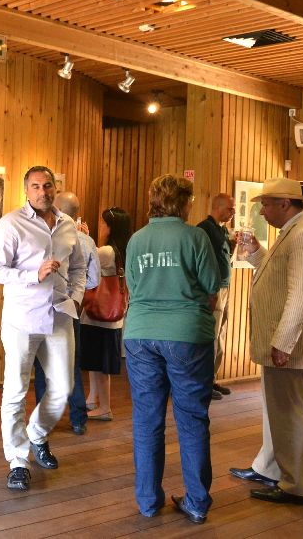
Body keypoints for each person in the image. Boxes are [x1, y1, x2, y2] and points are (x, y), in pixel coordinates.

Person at [229, 178, 303, 506]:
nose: (262, 210)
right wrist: (256, 252)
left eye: (267, 204)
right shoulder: (296, 230)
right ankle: (287, 477)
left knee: (290, 413)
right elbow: (280, 277)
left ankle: (296, 486)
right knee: (286, 411)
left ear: (285, 204)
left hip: (291, 343)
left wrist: (284, 341)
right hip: (287, 342)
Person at [124, 175, 220, 524]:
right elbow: (211, 284)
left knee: (147, 419)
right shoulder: (195, 237)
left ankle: (148, 502)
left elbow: (134, 288)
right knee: (192, 418)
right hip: (187, 334)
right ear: (184, 202)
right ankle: (196, 501)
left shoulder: (136, 239)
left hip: (140, 334)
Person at [0, 166, 85, 491]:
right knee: (15, 391)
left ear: (55, 188)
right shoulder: (10, 224)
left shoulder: (68, 225)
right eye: (35, 186)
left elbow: (80, 266)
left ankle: (36, 434)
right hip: (22, 319)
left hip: (59, 316)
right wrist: (34, 274)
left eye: (47, 186)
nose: (42, 191)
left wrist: (76, 296)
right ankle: (18, 461)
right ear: (25, 190)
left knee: (63, 389)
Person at [33, 191, 100, 435]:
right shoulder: (86, 240)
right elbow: (92, 278)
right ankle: (78, 419)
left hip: (43, 306)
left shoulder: (42, 233)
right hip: (70, 309)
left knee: (42, 366)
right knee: (71, 364)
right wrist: (77, 299)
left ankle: (43, 421)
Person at [82, 206, 132, 421]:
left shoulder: (106, 252)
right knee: (97, 361)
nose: (100, 226)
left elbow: (84, 263)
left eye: (103, 223)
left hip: (98, 314)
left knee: (100, 365)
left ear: (110, 227)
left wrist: (84, 239)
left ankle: (105, 408)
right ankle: (93, 399)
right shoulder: (124, 250)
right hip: (114, 316)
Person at [196, 193, 237, 400]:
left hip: (225, 287)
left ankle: (211, 378)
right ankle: (204, 381)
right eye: (230, 209)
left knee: (220, 334)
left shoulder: (221, 230)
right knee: (211, 335)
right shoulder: (204, 229)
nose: (233, 213)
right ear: (218, 207)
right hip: (213, 289)